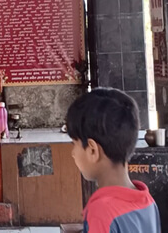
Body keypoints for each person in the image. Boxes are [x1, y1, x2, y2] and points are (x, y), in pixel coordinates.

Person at [66, 88, 161, 233]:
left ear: (92, 150)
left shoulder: (101, 212)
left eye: (74, 144)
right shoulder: (148, 201)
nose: (73, 154)